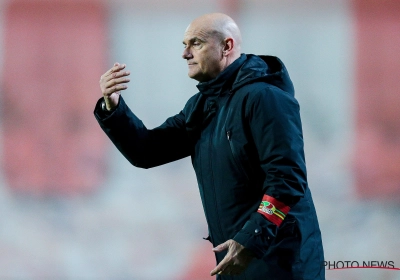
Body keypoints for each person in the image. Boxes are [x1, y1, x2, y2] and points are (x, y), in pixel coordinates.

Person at [94, 13, 324, 280]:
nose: (185, 54)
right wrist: (113, 106)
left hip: (279, 262)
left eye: (196, 43)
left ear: (226, 47)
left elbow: (287, 181)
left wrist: (251, 240)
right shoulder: (202, 106)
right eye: (184, 44)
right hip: (237, 259)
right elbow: (146, 151)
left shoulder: (266, 98)